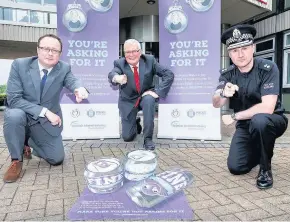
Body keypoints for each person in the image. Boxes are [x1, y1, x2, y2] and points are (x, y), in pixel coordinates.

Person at [3, 34, 89, 183]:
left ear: (60, 54)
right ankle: (16, 160)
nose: (50, 53)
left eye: (55, 50)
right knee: (14, 116)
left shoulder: (64, 68)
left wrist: (79, 89)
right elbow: (14, 99)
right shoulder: (19, 65)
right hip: (23, 114)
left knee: (56, 159)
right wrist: (45, 112)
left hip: (43, 124)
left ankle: (26, 140)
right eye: (46, 49)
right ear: (38, 50)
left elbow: (73, 80)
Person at [212, 24, 288, 189]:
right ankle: (259, 150)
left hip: (272, 120)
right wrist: (223, 94)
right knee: (236, 167)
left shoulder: (268, 68)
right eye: (234, 50)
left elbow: (267, 107)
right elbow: (215, 103)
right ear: (229, 54)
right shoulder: (227, 75)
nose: (240, 54)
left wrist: (234, 116)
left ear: (253, 47)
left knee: (259, 121)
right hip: (246, 125)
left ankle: (265, 168)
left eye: (245, 48)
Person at [108, 39, 174, 150]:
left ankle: (148, 139)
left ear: (140, 52)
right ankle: (136, 122)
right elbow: (112, 73)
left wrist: (157, 92)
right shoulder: (119, 63)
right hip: (128, 101)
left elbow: (168, 74)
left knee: (149, 100)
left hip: (145, 96)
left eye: (134, 51)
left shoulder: (149, 60)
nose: (131, 55)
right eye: (128, 52)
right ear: (124, 53)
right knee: (127, 137)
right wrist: (117, 78)